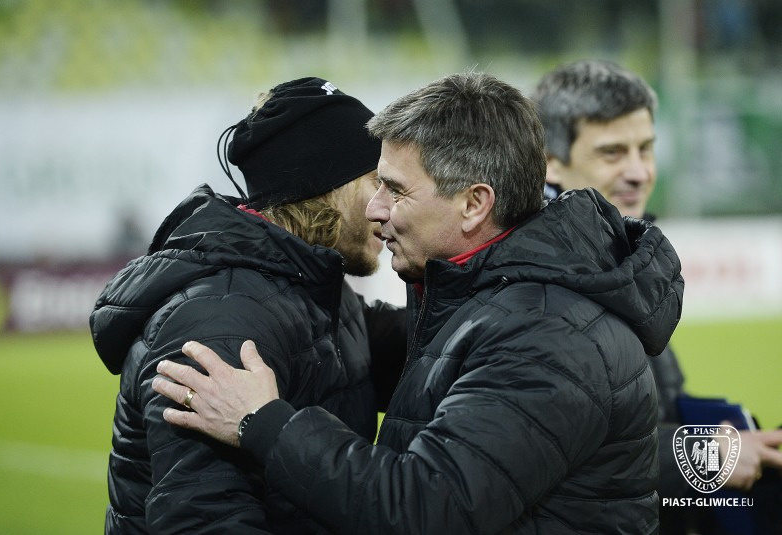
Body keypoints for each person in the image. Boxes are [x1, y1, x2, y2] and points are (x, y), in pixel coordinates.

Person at [153, 71, 685, 534]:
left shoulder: (546, 333)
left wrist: (262, 422)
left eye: (394, 189)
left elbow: (427, 508)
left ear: (474, 204)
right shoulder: (488, 296)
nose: (375, 209)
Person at [90, 77, 406, 533]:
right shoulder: (219, 324)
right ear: (326, 190)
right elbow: (203, 521)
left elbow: (422, 350)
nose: (387, 207)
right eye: (377, 183)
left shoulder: (312, 287)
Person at [531, 59, 782, 535]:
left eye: (645, 148)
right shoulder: (541, 281)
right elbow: (557, 451)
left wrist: (723, 429)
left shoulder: (623, 262)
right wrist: (708, 453)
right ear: (550, 162)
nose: (638, 171)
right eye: (612, 152)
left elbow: (645, 409)